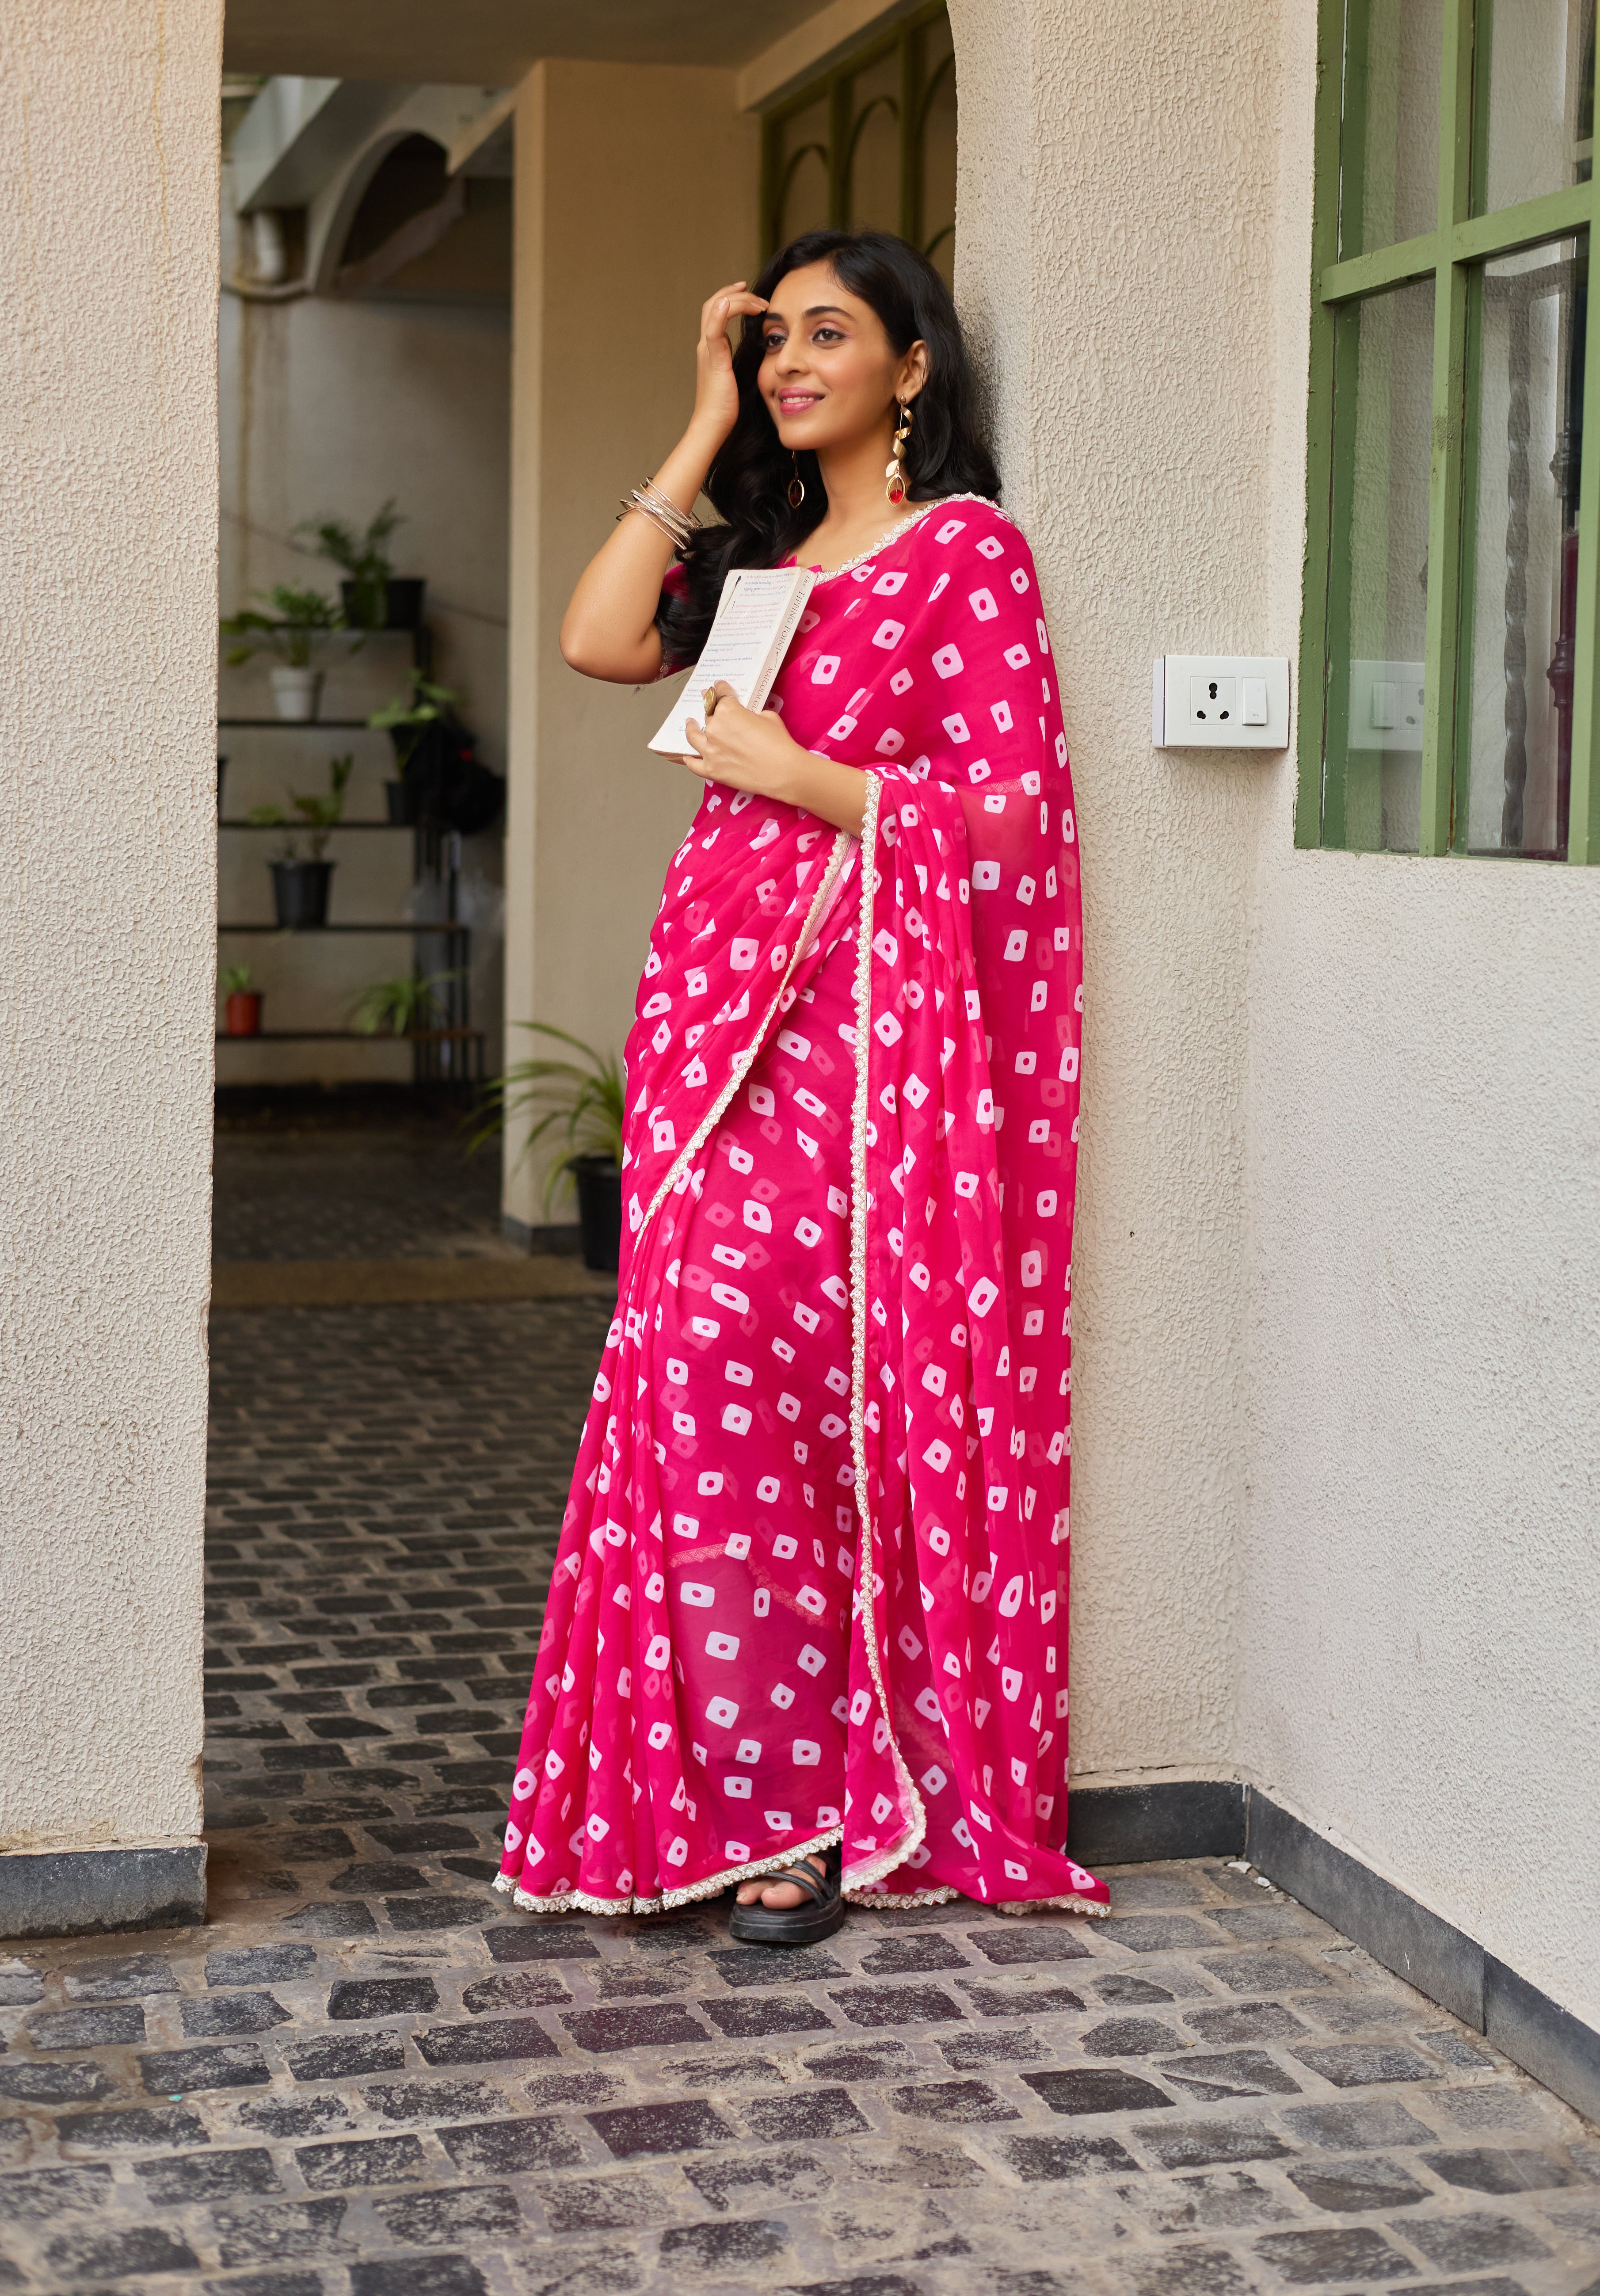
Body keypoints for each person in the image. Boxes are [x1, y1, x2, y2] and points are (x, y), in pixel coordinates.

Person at [496, 229, 1106, 1940]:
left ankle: (819, 1806)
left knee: (785, 1389)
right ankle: (738, 1782)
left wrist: (816, 780)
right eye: (771, 340)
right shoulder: (764, 569)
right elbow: (598, 635)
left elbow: (1014, 825)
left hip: (865, 1045)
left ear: (914, 367)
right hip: (714, 1024)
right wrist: (700, 423)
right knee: (685, 1377)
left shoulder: (965, 557)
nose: (789, 361)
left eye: (825, 334)